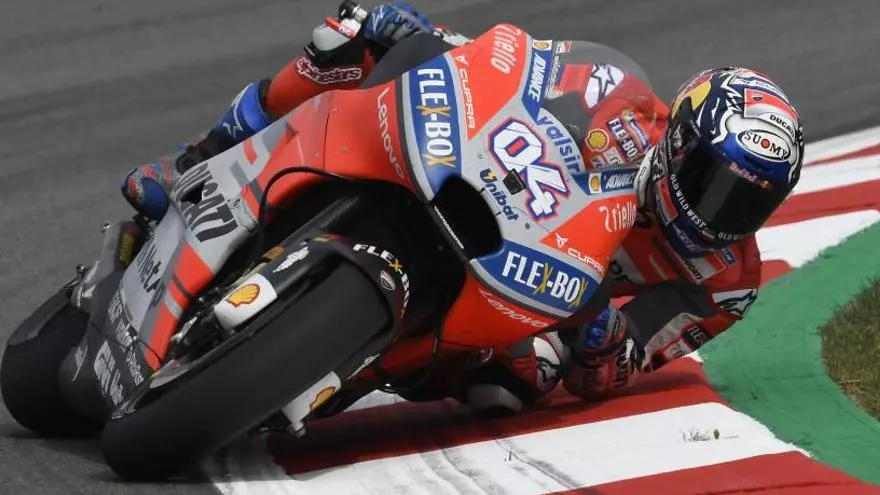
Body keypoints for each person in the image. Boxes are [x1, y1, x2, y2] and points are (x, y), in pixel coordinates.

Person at [121, 2, 804, 415]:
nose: (720, 212)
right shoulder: (618, 100)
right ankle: (199, 156)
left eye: (749, 201)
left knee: (522, 375)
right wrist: (433, 38)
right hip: (482, 190)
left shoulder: (727, 282)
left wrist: (601, 335)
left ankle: (347, 363)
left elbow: (617, 368)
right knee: (356, 35)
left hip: (528, 309)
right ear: (679, 141)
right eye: (712, 181)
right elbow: (517, 67)